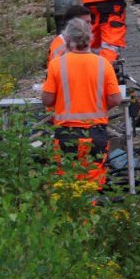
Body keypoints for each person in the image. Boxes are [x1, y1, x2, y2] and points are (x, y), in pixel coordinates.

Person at [41, 17, 122, 184]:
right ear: (90, 39)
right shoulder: (103, 64)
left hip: (66, 134)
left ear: (68, 39)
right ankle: (90, 210)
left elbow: (47, 100)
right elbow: (115, 98)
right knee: (91, 183)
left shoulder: (57, 65)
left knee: (66, 183)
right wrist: (100, 106)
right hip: (95, 132)